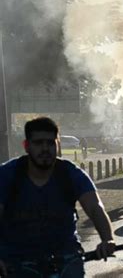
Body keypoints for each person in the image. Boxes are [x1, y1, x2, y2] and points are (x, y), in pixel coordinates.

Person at [0, 117, 116, 277]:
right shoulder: (7, 175)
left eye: (50, 143)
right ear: (27, 146)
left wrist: (107, 239)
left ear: (58, 145)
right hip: (19, 262)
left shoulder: (71, 174)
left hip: (66, 259)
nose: (45, 148)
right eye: (38, 143)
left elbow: (95, 208)